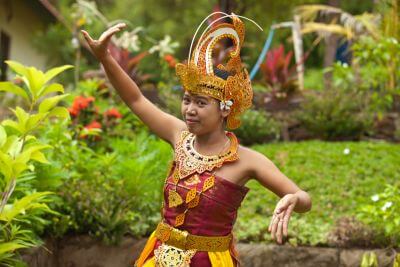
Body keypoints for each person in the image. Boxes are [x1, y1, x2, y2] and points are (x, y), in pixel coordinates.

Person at [81, 12, 311, 267]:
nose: (190, 110)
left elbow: (304, 198)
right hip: (158, 257)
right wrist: (105, 57)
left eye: (201, 103)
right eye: (187, 100)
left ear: (225, 108)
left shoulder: (248, 161)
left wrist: (294, 199)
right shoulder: (179, 136)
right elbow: (136, 99)